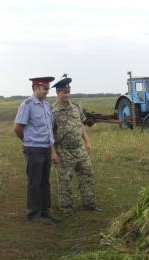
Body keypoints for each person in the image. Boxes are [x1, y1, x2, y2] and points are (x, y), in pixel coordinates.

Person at [51, 75, 101, 217]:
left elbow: (81, 126)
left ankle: (89, 204)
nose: (67, 95)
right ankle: (66, 208)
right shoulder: (52, 111)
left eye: (68, 92)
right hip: (63, 151)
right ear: (58, 93)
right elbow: (48, 134)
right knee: (65, 180)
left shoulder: (76, 108)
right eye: (64, 92)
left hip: (79, 149)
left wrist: (87, 142)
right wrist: (53, 152)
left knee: (87, 174)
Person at [13, 76, 60, 223]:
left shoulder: (46, 106)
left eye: (48, 88)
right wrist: (27, 142)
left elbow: (49, 131)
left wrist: (52, 150)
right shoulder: (27, 105)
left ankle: (45, 210)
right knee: (35, 182)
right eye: (45, 89)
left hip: (46, 149)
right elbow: (17, 128)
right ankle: (34, 213)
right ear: (35, 88)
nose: (47, 91)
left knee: (45, 181)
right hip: (34, 149)